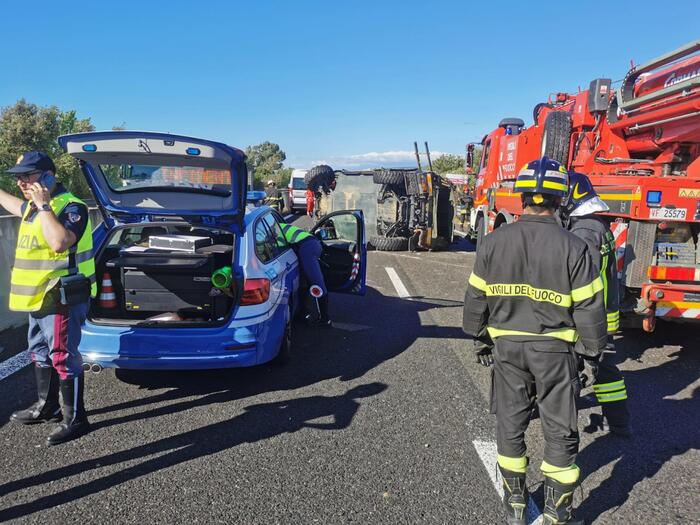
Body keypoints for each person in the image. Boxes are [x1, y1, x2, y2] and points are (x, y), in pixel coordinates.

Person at [463, 157, 607, 524]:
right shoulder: (574, 247)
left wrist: (481, 340)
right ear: (562, 199)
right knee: (560, 432)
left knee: (510, 425)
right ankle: (557, 514)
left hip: (507, 351)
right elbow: (590, 307)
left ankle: (514, 503)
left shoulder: (493, 242)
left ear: (522, 195)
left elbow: (476, 300)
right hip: (557, 353)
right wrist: (590, 355)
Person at [0, 151, 96, 445]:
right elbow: (14, 204)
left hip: (61, 296)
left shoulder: (71, 207)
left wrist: (43, 205)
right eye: (18, 178)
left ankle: (76, 418)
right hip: (37, 297)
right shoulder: (34, 208)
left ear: (49, 177)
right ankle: (48, 406)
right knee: (39, 352)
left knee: (63, 356)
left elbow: (59, 242)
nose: (21, 183)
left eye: (27, 176)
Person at [562, 171, 630, 436]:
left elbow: (578, 278)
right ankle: (620, 423)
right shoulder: (594, 224)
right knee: (605, 369)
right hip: (603, 311)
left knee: (581, 366)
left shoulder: (584, 231)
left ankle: (565, 428)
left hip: (589, 315)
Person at [278, 221, 331, 327]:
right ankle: (304, 313)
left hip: (307, 247)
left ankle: (325, 319)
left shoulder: (274, 231)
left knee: (316, 282)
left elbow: (278, 248)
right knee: (306, 281)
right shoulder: (280, 225)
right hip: (311, 243)